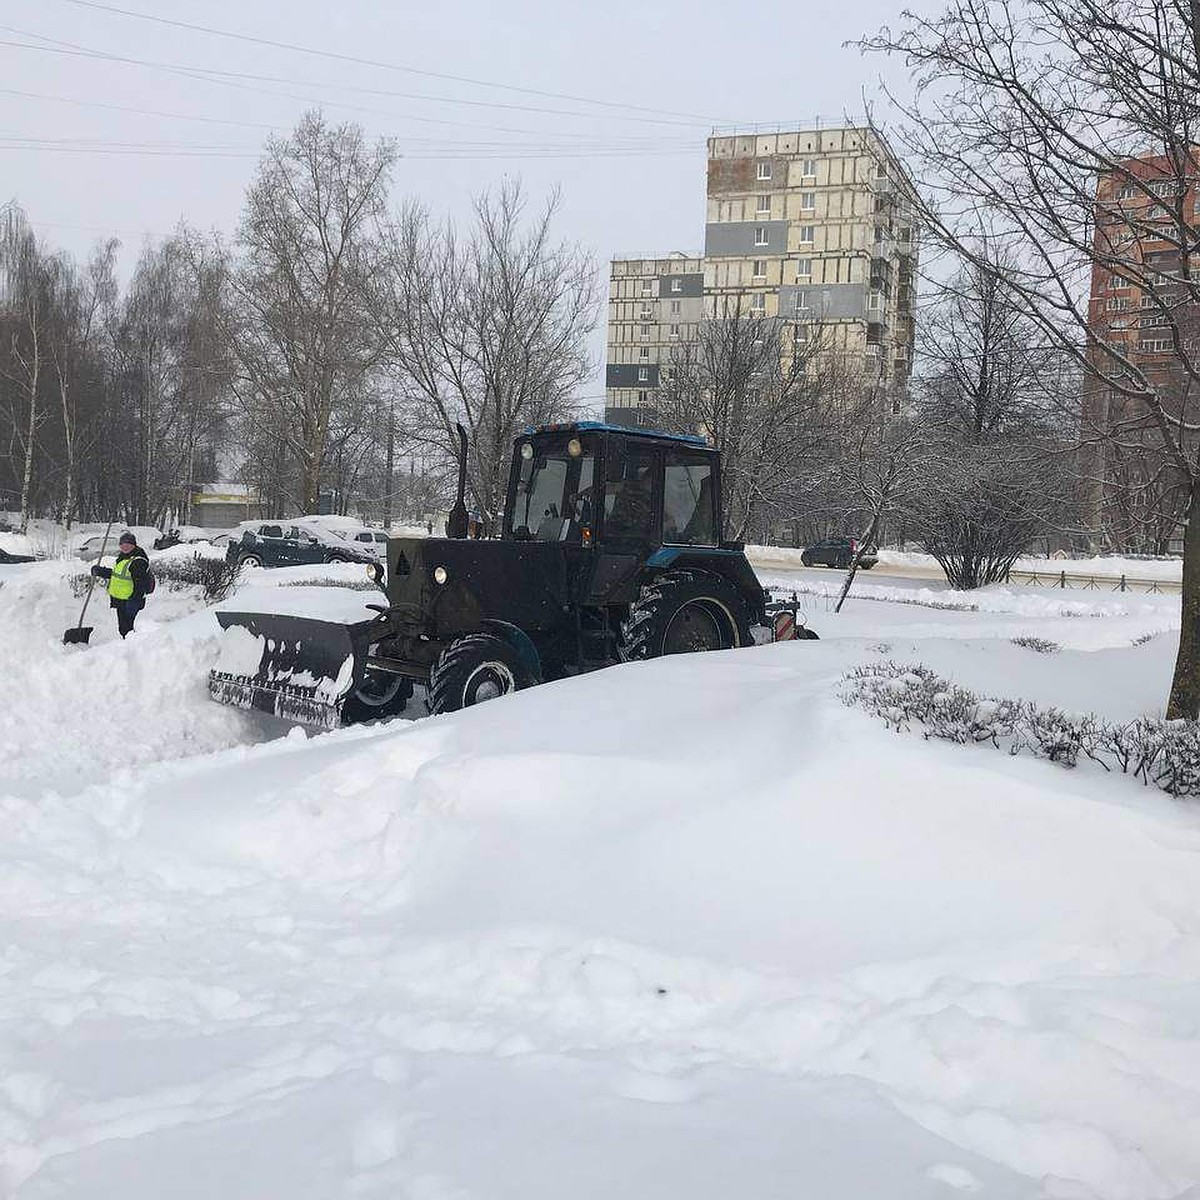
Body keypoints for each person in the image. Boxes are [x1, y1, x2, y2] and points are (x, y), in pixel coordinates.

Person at [90, 531, 151, 638]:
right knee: (124, 629)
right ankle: (127, 647)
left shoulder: (138, 561)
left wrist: (134, 600)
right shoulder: (123, 558)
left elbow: (141, 583)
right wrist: (100, 571)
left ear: (134, 545)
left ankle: (134, 649)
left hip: (131, 601)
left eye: (128, 544)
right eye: (122, 544)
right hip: (121, 600)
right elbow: (117, 575)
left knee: (129, 630)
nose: (125, 546)